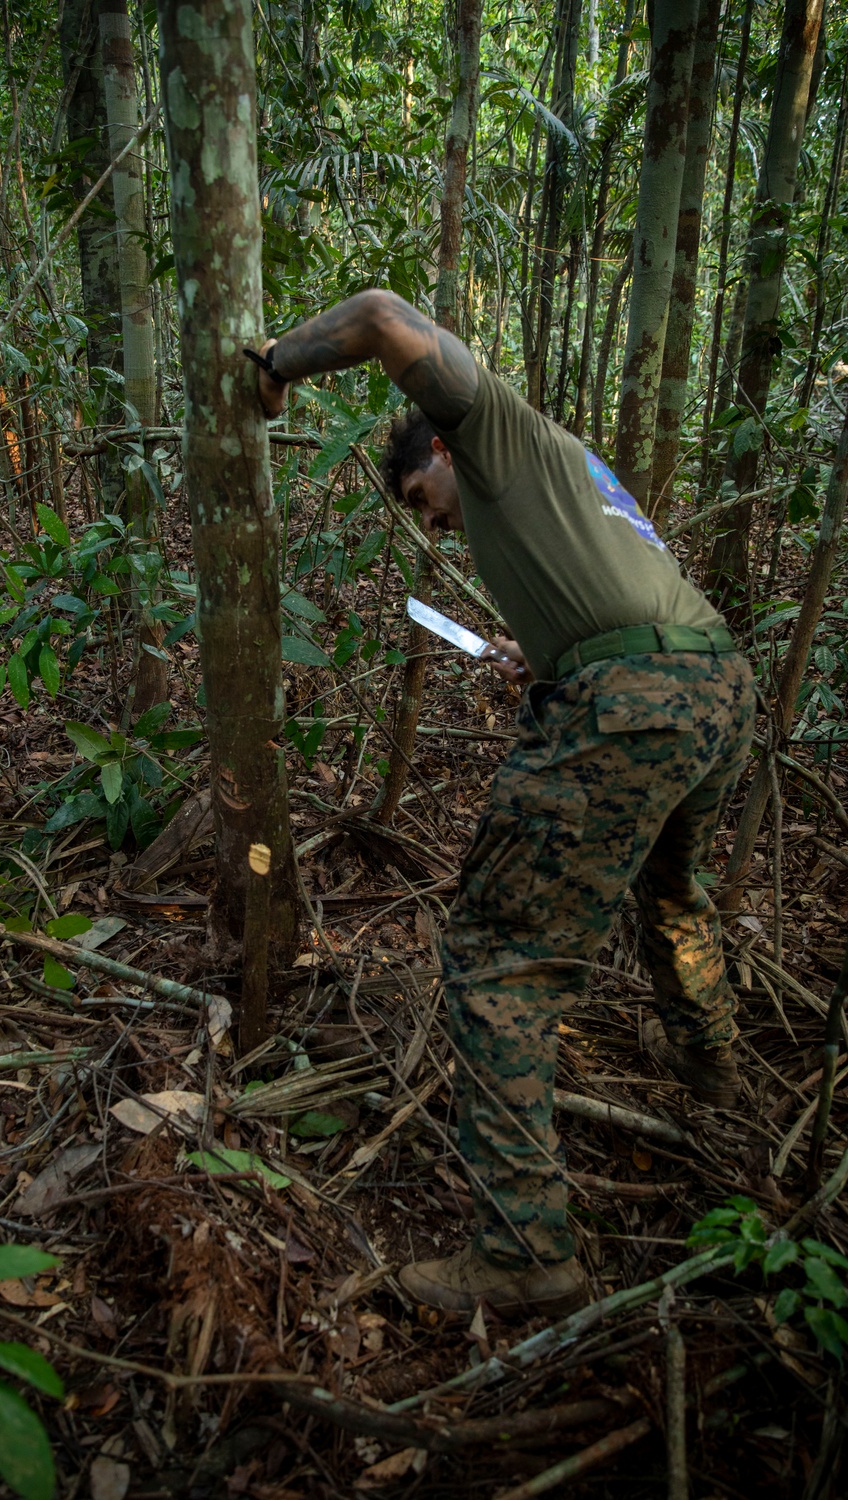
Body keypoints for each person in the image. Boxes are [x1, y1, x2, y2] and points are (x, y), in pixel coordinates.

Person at [249, 289, 755, 1321]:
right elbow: (615, 604)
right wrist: (552, 662)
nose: (428, 524)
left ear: (438, 447)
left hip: (635, 707)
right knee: (670, 889)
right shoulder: (569, 477)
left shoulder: (489, 428)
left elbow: (385, 318)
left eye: (415, 497)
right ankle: (710, 1062)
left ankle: (525, 1245)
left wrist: (274, 363)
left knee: (495, 962)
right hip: (713, 692)